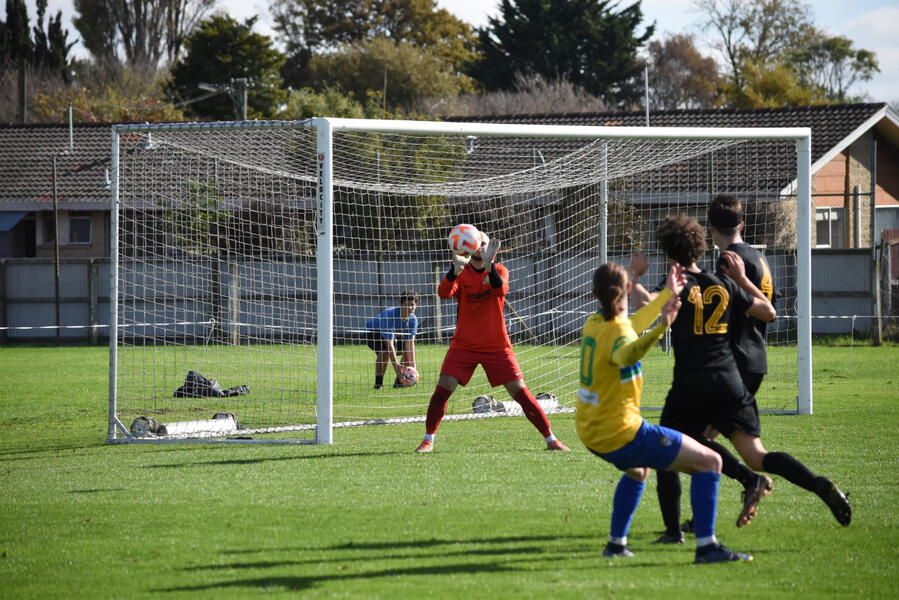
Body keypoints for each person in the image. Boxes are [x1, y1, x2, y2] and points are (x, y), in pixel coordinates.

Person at [630, 215, 850, 539]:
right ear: (700, 249)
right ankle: (815, 483)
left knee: (666, 451)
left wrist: (634, 276)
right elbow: (768, 312)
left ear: (668, 253)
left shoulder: (675, 287)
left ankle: (674, 531)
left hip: (691, 385)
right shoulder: (723, 283)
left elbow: (646, 309)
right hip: (729, 381)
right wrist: (744, 280)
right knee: (758, 456)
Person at [577, 261, 752, 563]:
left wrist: (666, 295)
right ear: (628, 290)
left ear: (596, 294)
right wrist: (662, 326)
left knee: (639, 470)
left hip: (591, 431)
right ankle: (708, 548)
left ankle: (616, 545)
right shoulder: (619, 332)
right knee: (711, 461)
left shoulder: (595, 322)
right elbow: (626, 351)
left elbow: (629, 328)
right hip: (621, 433)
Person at [415, 229, 568, 453]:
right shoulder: (462, 272)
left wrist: (489, 266)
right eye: (478, 243)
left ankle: (551, 439)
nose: (481, 247)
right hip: (464, 345)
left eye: (484, 244)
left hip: (497, 346)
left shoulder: (500, 270)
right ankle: (428, 440)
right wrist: (453, 270)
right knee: (442, 389)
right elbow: (444, 293)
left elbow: (500, 290)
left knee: (521, 393)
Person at [365, 290, 419, 390]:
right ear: (401, 304)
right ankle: (378, 385)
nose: (409, 308)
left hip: (393, 336)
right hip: (373, 332)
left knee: (406, 352)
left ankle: (399, 383)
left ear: (416, 305)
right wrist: (396, 366)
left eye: (412, 305)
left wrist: (414, 368)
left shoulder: (413, 320)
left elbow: (410, 346)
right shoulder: (389, 315)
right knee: (385, 351)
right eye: (406, 305)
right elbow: (389, 344)